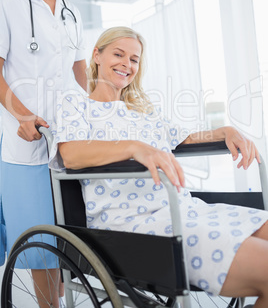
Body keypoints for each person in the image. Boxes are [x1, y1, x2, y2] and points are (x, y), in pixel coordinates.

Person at [50, 26, 268, 307]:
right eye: (118, 54)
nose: (126, 64)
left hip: (186, 209)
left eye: (134, 59)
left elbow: (184, 137)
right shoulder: (75, 104)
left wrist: (224, 130)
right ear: (96, 56)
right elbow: (71, 155)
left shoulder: (142, 109)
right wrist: (133, 147)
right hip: (134, 224)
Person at [0, 0, 87, 308]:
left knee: (67, 237)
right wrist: (21, 115)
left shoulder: (72, 12)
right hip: (23, 139)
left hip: (65, 138)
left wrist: (101, 115)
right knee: (37, 240)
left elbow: (80, 71)